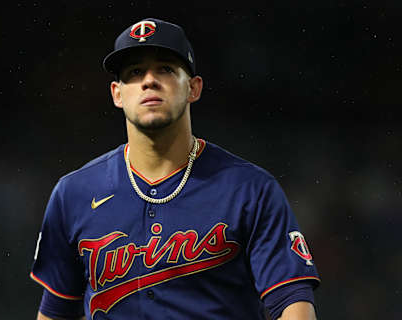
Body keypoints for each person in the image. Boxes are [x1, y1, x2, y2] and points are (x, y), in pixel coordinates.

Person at [30, 18, 321, 320]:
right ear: (117, 94)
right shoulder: (74, 193)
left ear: (193, 88)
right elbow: (56, 311)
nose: (149, 81)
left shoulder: (250, 189)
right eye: (135, 72)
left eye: (166, 69)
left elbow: (292, 303)